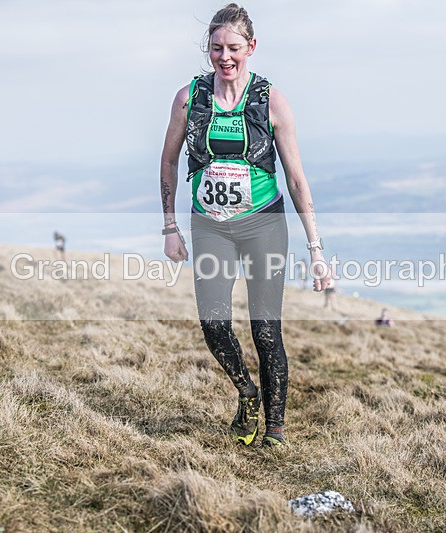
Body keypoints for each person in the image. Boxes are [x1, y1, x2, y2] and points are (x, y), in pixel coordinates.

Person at [159, 4, 331, 448]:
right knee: (214, 323)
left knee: (265, 328)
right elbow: (169, 161)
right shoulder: (189, 97)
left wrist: (316, 252)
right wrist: (169, 227)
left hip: (264, 226)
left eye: (234, 47)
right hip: (211, 226)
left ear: (251, 48)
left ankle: (274, 430)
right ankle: (247, 393)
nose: (225, 57)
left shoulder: (271, 100)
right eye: (216, 48)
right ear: (208, 50)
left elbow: (295, 178)